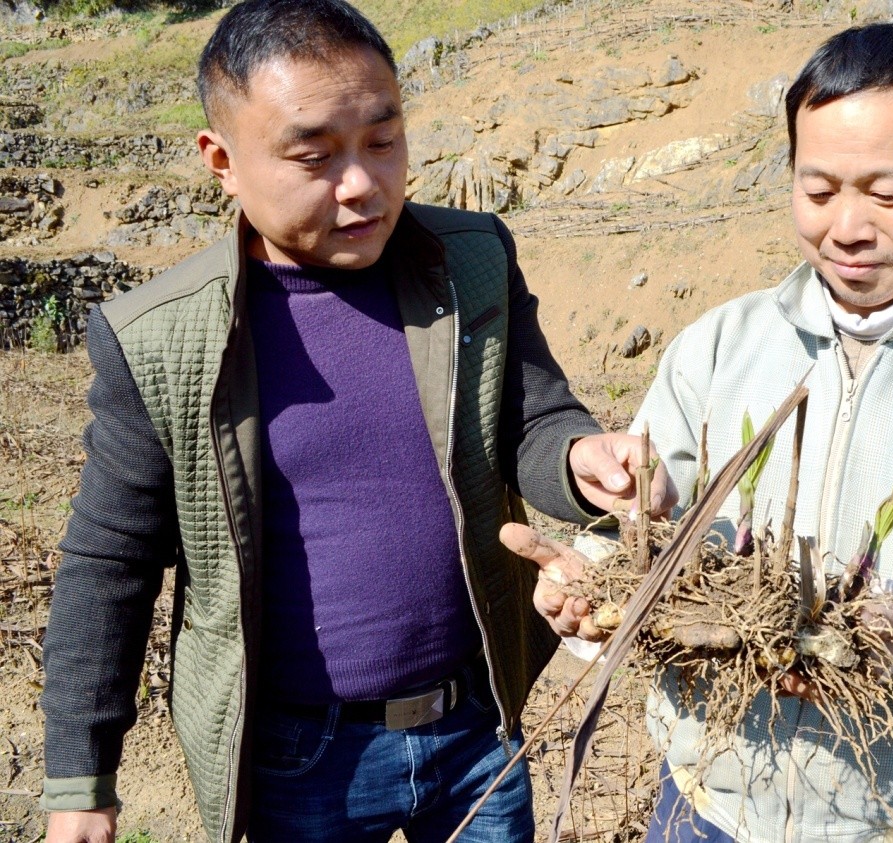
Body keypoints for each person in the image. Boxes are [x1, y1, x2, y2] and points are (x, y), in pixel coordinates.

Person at [39, 2, 674, 842]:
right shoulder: (162, 339)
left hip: (475, 728)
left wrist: (579, 456)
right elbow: (108, 562)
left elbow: (532, 414)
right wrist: (81, 780)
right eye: (314, 155)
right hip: (297, 762)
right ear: (222, 161)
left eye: (383, 141)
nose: (362, 183)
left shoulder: (470, 262)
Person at [509, 23, 893, 842]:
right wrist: (599, 577)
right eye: (818, 190)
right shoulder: (721, 344)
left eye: (887, 193)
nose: (846, 226)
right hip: (708, 801)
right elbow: (663, 541)